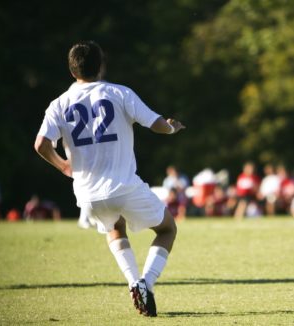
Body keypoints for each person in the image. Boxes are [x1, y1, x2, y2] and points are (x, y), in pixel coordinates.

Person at [34, 41, 185, 317]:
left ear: (71, 70)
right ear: (101, 65)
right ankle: (145, 284)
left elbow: (41, 144)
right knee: (167, 229)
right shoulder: (119, 93)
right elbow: (158, 125)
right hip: (124, 185)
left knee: (115, 229)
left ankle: (132, 281)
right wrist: (173, 128)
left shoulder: (59, 103)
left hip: (88, 194)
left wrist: (64, 167)